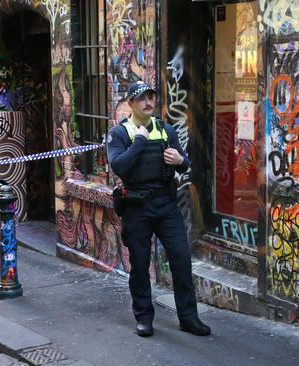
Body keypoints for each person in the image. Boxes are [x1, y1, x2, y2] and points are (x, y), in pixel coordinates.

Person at [106, 81, 211, 337]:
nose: (148, 102)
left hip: (165, 205)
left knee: (181, 261)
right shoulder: (119, 134)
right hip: (136, 208)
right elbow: (119, 166)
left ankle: (188, 318)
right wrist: (140, 141)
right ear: (130, 103)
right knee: (140, 266)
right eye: (142, 98)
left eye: (151, 97)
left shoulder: (165, 130)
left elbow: (183, 163)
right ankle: (144, 318)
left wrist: (181, 161)